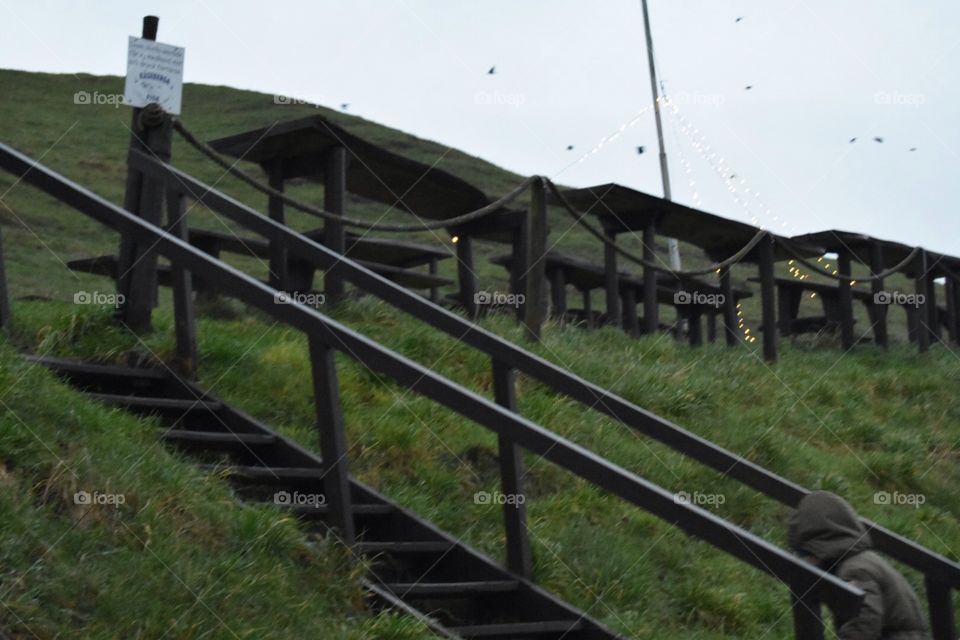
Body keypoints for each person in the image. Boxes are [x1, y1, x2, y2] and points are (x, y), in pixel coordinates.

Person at [788, 491, 929, 640]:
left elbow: (862, 624)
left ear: (818, 547)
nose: (802, 561)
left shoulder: (855, 570)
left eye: (803, 554)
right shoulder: (861, 561)